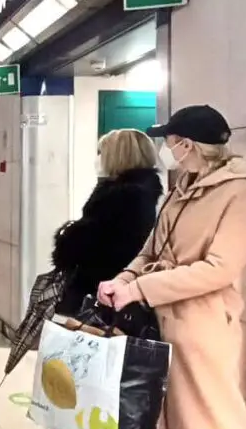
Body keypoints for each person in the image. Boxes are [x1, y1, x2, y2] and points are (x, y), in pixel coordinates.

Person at [97, 105, 246, 429]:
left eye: (170, 141)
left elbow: (218, 269)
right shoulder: (181, 189)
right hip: (163, 322)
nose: (166, 149)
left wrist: (141, 288)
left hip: (202, 327)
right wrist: (124, 279)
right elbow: (152, 248)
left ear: (188, 145)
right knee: (171, 425)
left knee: (210, 423)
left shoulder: (239, 194)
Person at [51, 129, 163, 316]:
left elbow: (85, 242)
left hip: (102, 288)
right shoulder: (145, 191)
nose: (98, 159)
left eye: (101, 153)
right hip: (118, 283)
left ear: (116, 156)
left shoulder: (120, 196)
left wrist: (67, 235)